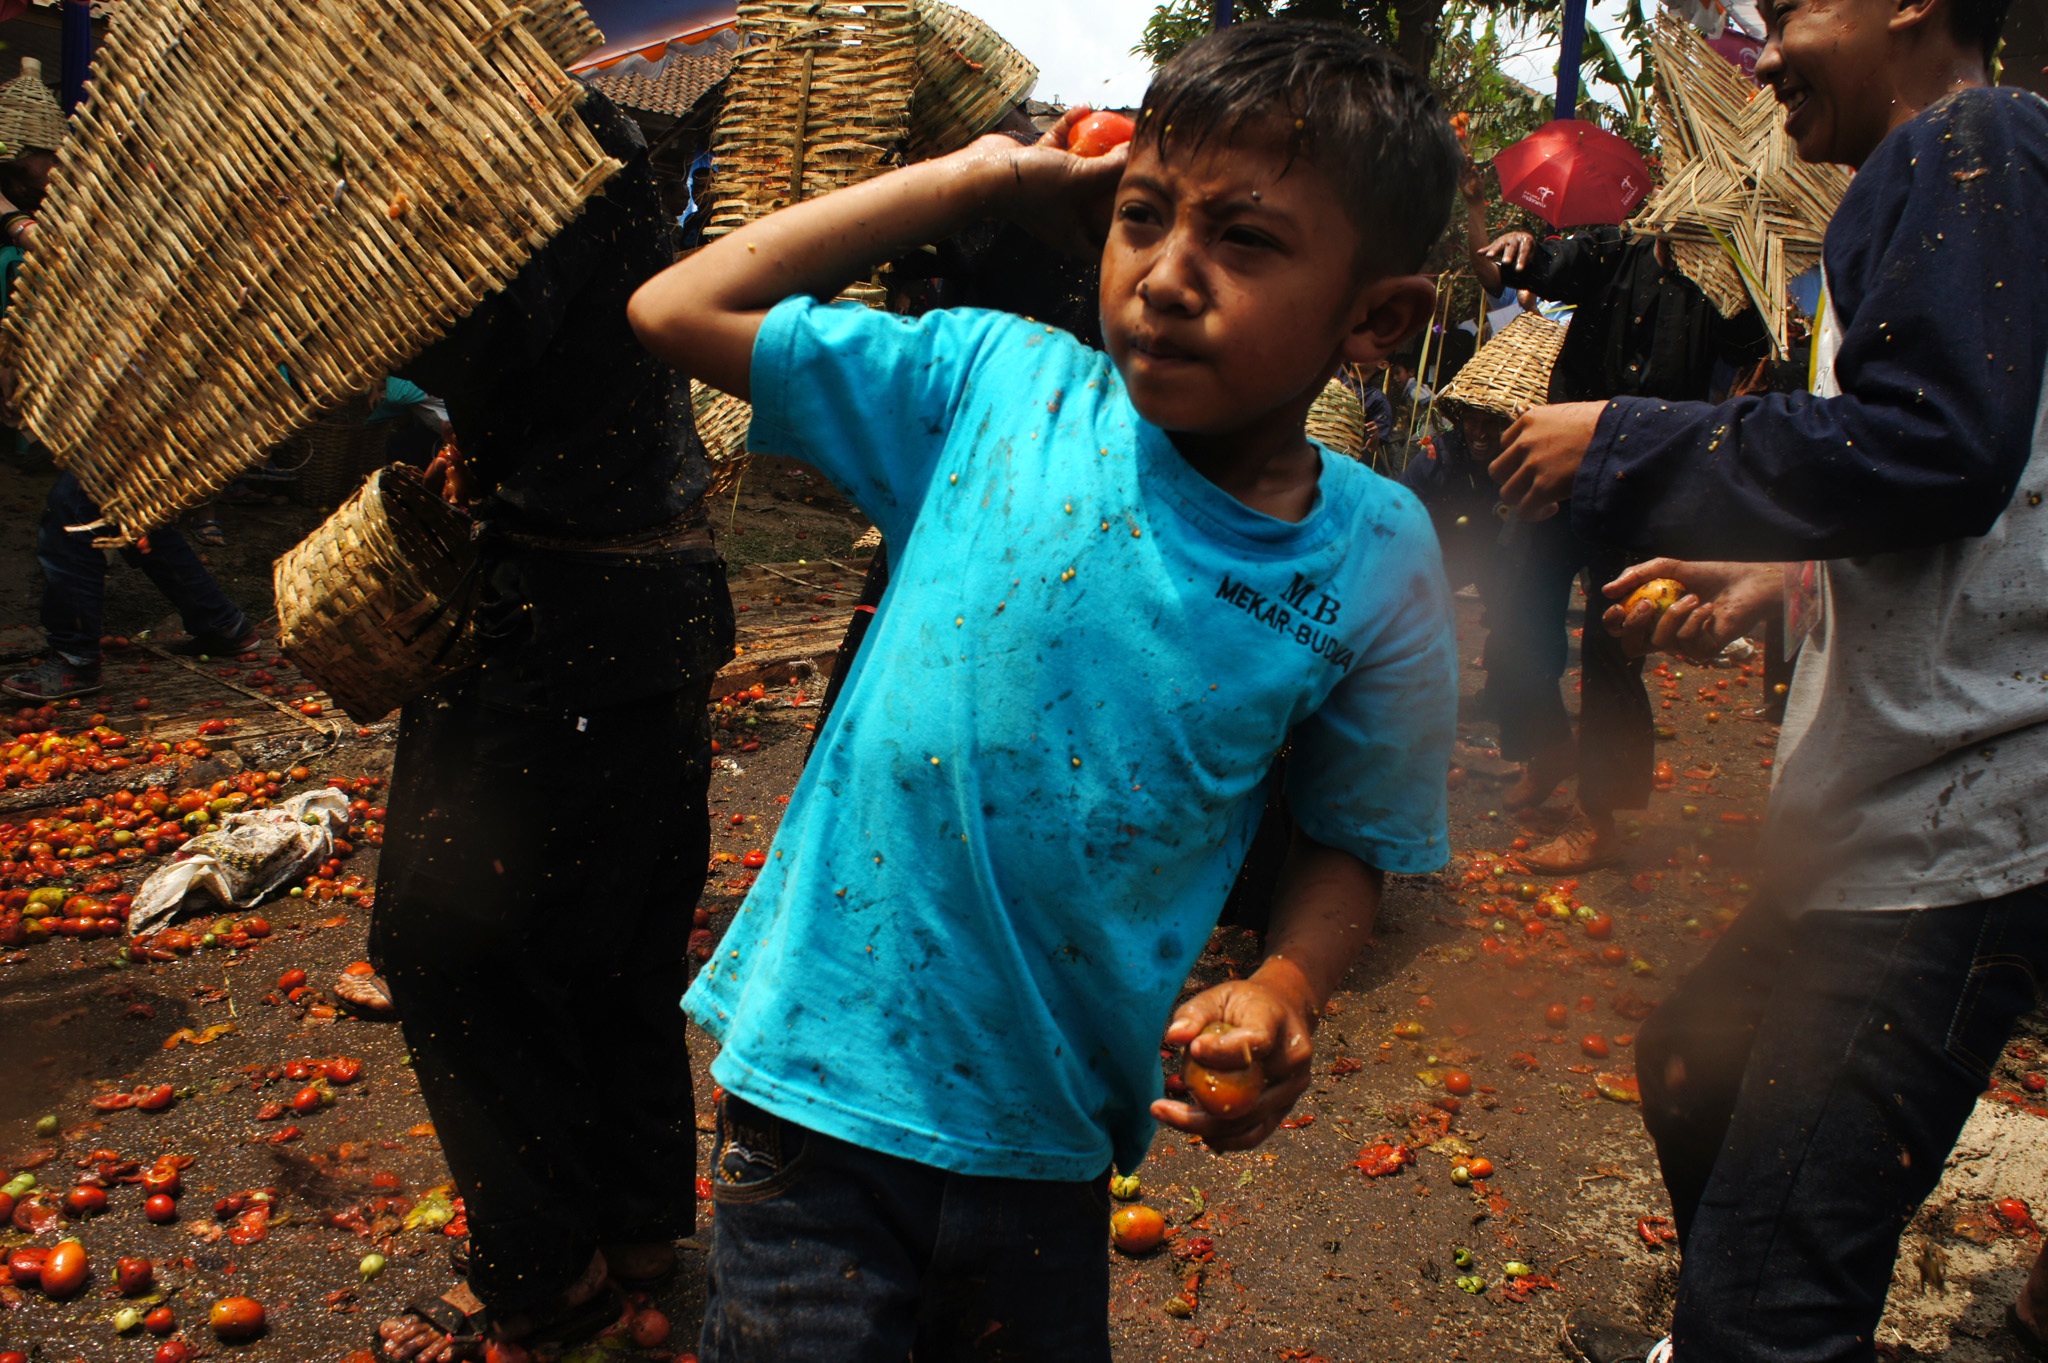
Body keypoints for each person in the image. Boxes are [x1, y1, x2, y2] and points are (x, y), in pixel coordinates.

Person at [628, 22, 1459, 1361]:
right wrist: (985, 179)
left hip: (1056, 1137)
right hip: (821, 1096)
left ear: (1376, 317)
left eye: (1244, 241)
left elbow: (1357, 834)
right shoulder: (991, 390)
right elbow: (677, 308)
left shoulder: (1374, 559)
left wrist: (1291, 983)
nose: (1168, 277)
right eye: (1142, 217)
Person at [1485, 0, 2045, 1357]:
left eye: (1791, 9)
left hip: (1948, 828)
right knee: (1691, 1067)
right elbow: (1993, 486)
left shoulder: (1966, 142)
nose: (1767, 50)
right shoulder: (1954, 184)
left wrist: (1627, 440)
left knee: (1773, 1291)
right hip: (1887, 803)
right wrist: (1773, 582)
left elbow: (1942, 450)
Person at [370, 88, 734, 1363]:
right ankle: (634, 1230)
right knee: (617, 929)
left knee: (440, 941)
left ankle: (542, 1287)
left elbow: (497, 358)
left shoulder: (502, 153)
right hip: (664, 591)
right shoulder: (600, 133)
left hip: (561, 604)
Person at [1465, 179, 1769, 872]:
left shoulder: (1718, 286)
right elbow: (1508, 269)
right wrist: (1506, 240)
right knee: (1513, 623)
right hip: (1563, 482)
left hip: (1643, 493)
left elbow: (1756, 345)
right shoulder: (1609, 251)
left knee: (1612, 651)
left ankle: (1597, 815)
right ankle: (1547, 749)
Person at [0, 59, 257, 702]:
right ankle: (222, 625)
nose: (21, 180)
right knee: (130, 516)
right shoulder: (66, 194)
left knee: (73, 516)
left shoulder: (96, 195)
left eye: (20, 166)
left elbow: (65, 250)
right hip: (136, 378)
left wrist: (6, 214)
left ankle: (74, 658)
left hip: (151, 380)